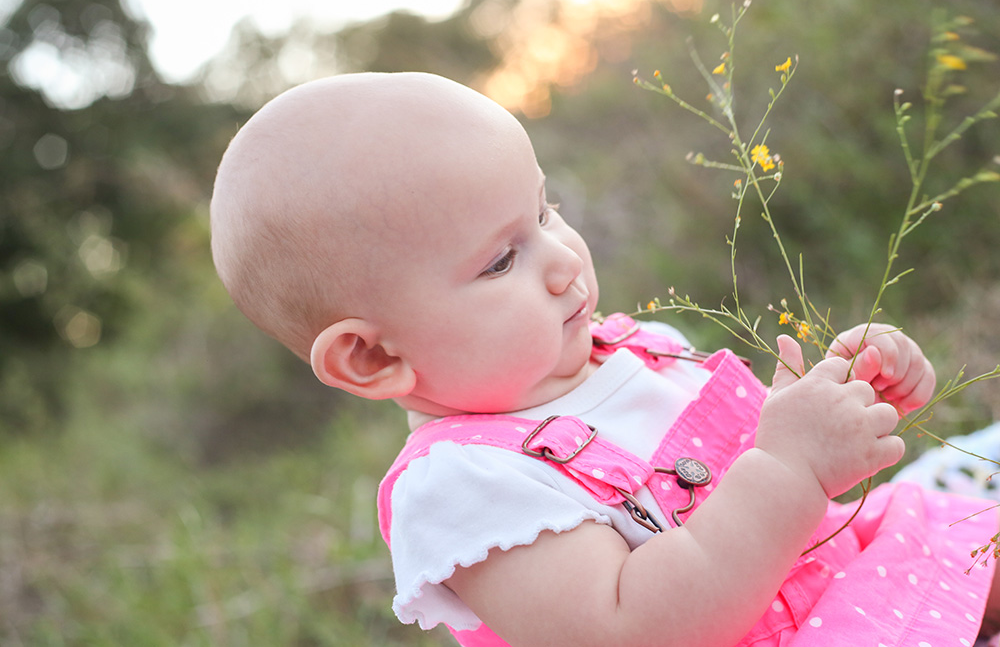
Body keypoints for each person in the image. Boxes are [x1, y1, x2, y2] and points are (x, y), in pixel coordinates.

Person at [210, 71, 999, 647]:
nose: (562, 260)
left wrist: (838, 404)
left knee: (974, 539)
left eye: (546, 211)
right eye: (499, 262)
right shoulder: (466, 488)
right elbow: (635, 628)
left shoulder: (624, 348)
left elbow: (779, 479)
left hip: (856, 571)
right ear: (374, 355)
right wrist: (789, 470)